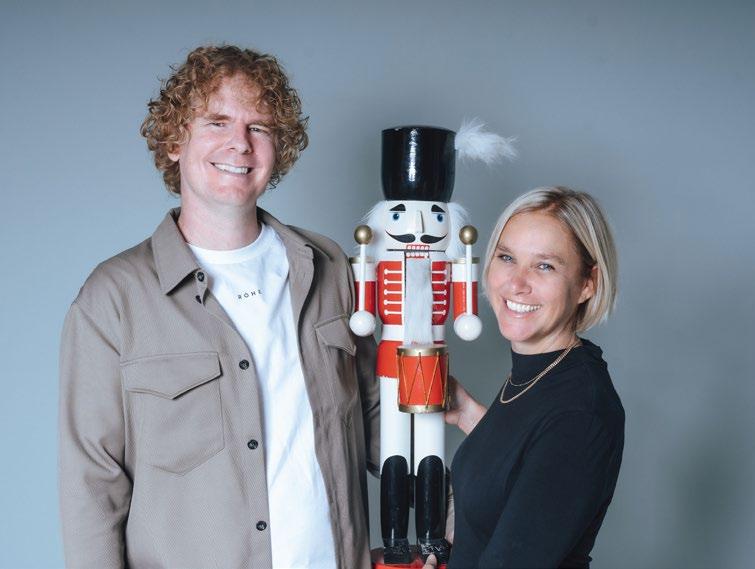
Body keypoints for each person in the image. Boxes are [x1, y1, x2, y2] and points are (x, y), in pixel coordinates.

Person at [59, 45, 379, 569]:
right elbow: (92, 486)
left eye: (260, 127)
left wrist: (467, 524)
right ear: (174, 140)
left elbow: (380, 418)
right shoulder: (113, 298)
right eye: (217, 122)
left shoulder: (329, 266)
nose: (240, 143)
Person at [425, 186, 624, 568]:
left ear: (588, 283)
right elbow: (524, 475)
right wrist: (469, 415)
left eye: (544, 265)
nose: (516, 283)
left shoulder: (579, 412)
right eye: (507, 257)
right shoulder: (539, 374)